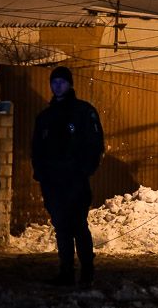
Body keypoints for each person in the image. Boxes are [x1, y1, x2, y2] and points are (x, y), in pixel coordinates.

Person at [31, 66, 104, 287]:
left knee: (78, 225)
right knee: (61, 226)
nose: (57, 86)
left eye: (62, 82)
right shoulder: (45, 117)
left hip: (75, 180)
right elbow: (37, 148)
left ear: (70, 84)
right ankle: (66, 272)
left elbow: (95, 143)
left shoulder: (83, 112)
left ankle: (87, 272)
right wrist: (42, 173)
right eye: (54, 82)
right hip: (53, 181)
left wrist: (84, 170)